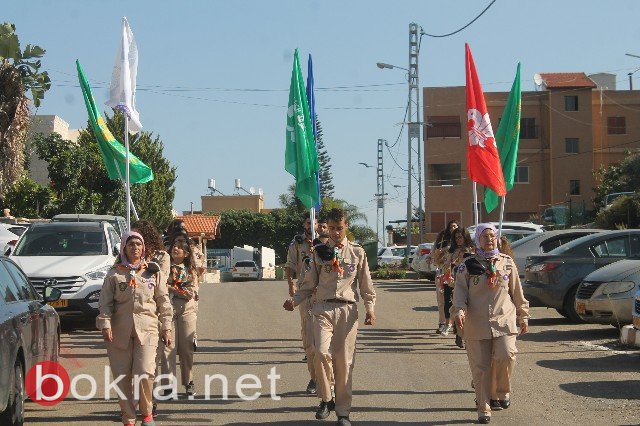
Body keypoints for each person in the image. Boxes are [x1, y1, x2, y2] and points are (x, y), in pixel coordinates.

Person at [283, 208, 377, 426]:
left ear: (346, 228)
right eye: (332, 228)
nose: (335, 233)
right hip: (323, 308)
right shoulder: (318, 252)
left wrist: (370, 309)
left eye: (339, 228)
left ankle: (343, 412)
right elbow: (309, 284)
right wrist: (295, 299)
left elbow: (365, 285)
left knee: (344, 362)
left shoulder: (357, 252)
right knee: (320, 352)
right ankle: (326, 399)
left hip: (347, 310)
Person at [453, 223, 530, 424]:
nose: (489, 239)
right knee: (481, 368)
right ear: (478, 239)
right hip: (476, 323)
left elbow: (517, 292)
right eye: (485, 236)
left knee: (506, 356)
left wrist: (523, 315)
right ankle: (483, 407)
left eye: (492, 236)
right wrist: (459, 311)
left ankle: (501, 392)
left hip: (504, 320)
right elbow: (459, 292)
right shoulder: (467, 265)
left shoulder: (507, 263)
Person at [97, 231, 173, 426]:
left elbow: (163, 302)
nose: (135, 248)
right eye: (131, 244)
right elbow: (105, 303)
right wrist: (105, 324)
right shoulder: (114, 273)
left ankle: (147, 414)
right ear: (124, 247)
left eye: (139, 244)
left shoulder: (152, 272)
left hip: (147, 330)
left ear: (143, 248)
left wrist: (167, 327)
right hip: (119, 331)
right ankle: (128, 418)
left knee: (145, 371)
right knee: (122, 377)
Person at [285, 212, 319, 394]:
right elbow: (290, 264)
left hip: (324, 294)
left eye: (313, 223)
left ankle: (327, 381)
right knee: (309, 341)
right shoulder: (297, 242)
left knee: (324, 343)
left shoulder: (325, 242)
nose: (310, 226)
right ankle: (313, 379)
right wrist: (291, 283)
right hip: (304, 293)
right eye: (307, 223)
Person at [160, 239, 199, 396]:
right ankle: (168, 385)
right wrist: (175, 289)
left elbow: (190, 292)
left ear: (186, 254)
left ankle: (189, 381)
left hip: (186, 311)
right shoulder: (164, 269)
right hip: (167, 311)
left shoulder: (190, 270)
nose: (175, 249)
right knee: (167, 348)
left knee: (186, 348)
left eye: (179, 248)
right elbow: (158, 286)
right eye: (173, 246)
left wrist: (170, 288)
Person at [443, 227, 474, 345]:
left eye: (460, 237)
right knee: (458, 308)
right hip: (457, 283)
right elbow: (446, 266)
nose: (458, 240)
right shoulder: (452, 251)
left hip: (472, 282)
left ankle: (467, 335)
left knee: (471, 310)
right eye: (456, 238)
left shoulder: (473, 249)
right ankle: (459, 334)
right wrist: (448, 274)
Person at [433, 220, 459, 334]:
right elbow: (435, 255)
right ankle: (443, 323)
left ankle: (456, 326)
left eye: (455, 226)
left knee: (458, 301)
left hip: (458, 275)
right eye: (451, 226)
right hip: (443, 274)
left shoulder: (461, 242)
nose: (453, 228)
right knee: (443, 300)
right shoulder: (442, 240)